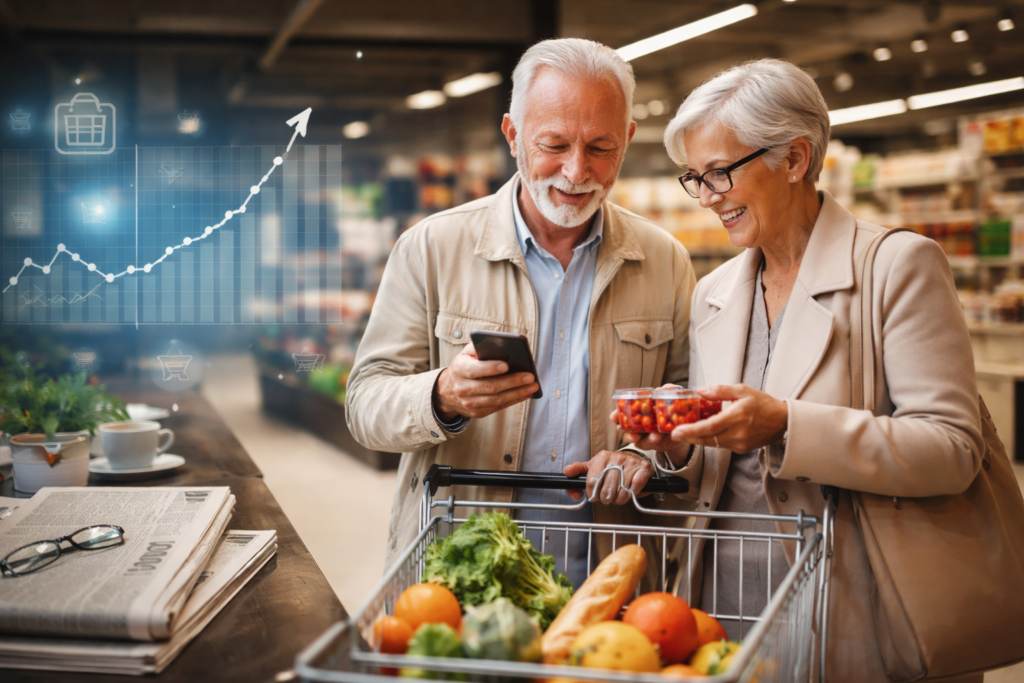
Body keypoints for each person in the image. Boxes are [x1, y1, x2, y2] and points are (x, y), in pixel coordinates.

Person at [621, 58, 984, 682]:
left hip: (851, 605)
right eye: (695, 178)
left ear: (794, 159)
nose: (708, 197)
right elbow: (719, 463)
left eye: (721, 173)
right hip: (725, 605)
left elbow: (952, 448)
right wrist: (671, 449)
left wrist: (787, 426)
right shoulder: (714, 292)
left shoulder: (896, 268)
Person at [345, 38, 697, 586]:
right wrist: (441, 395)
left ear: (627, 139)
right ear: (512, 135)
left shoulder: (665, 261)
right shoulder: (432, 248)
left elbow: (687, 411)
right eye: (554, 144)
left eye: (601, 148)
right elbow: (365, 403)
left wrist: (647, 458)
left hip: (605, 583)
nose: (577, 172)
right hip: (460, 573)